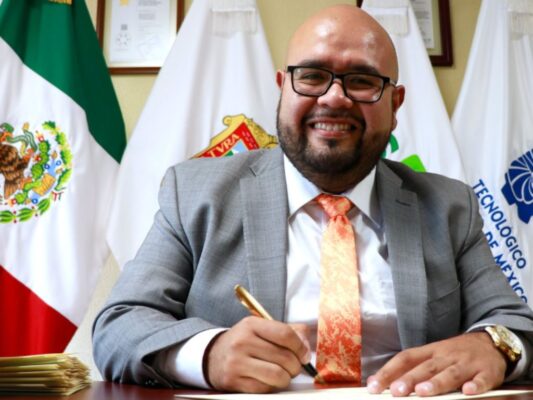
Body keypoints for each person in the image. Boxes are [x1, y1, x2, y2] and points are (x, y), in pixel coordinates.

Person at [92, 4, 533, 397]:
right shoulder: (196, 193)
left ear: (395, 104)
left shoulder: (449, 206)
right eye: (312, 76)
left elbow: (516, 325)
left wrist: (493, 346)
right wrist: (208, 355)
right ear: (282, 87)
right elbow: (120, 324)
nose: (334, 97)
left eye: (362, 81)